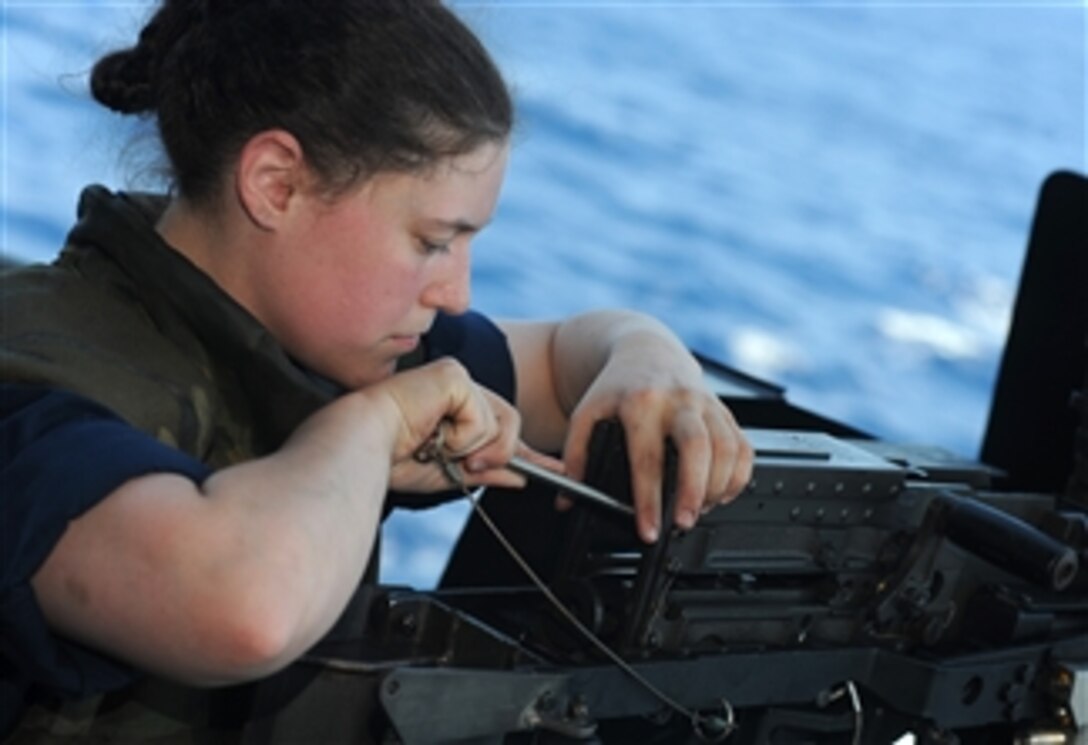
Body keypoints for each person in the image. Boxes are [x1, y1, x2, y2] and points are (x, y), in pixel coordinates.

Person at [0, 0, 753, 740]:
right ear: (276, 184)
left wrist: (647, 353)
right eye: (432, 242)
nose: (454, 292)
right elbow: (242, 611)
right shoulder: (37, 379)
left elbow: (564, 363)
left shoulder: (330, 336)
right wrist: (370, 427)